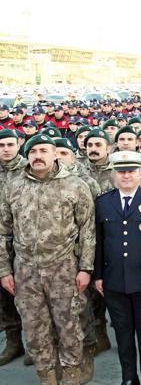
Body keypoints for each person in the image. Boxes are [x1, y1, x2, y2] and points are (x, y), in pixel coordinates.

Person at [0, 134, 96, 384]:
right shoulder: (14, 186)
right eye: (33, 152)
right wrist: (4, 270)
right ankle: (47, 375)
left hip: (64, 267)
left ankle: (73, 373)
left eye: (44, 150)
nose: (38, 155)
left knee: (69, 325)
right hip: (25, 270)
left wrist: (86, 268)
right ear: (27, 155)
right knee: (34, 327)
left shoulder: (75, 185)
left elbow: (88, 230)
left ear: (55, 154)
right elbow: (2, 230)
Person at [94, 151, 141, 385]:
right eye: (121, 171)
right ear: (114, 174)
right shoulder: (103, 202)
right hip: (114, 280)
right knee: (123, 334)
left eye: (131, 171)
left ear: (140, 173)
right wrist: (98, 275)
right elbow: (98, 242)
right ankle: (129, 378)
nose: (126, 176)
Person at [0, 128, 26, 367]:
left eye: (9, 144)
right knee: (4, 297)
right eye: (1, 145)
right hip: (1, 242)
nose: (6, 149)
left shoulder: (30, 168)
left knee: (29, 297)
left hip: (24, 243)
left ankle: (34, 343)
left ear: (19, 144)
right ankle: (13, 342)